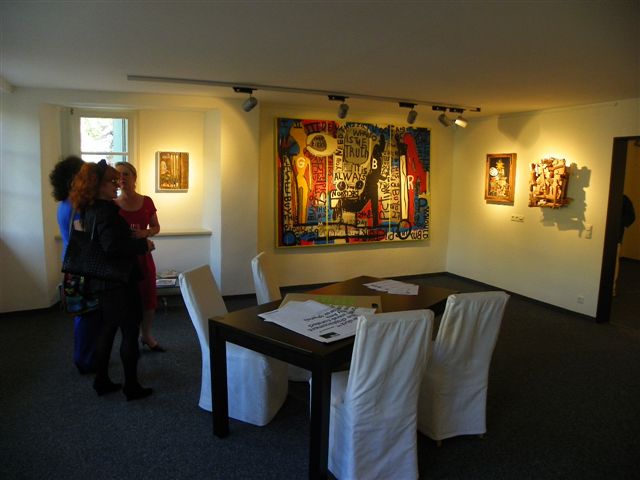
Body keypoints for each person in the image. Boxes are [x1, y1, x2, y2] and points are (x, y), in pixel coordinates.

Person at [69, 160, 154, 400]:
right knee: (129, 332)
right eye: (112, 181)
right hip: (118, 283)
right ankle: (131, 386)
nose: (117, 184)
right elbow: (112, 246)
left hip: (103, 281)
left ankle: (102, 380)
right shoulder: (106, 211)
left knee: (107, 330)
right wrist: (143, 245)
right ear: (98, 185)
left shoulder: (89, 208)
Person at [49, 155, 100, 374]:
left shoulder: (65, 204)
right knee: (88, 315)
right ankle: (85, 360)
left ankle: (87, 356)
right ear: (73, 179)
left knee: (84, 315)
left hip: (73, 264)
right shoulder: (76, 206)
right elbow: (87, 238)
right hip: (82, 267)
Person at [115, 162, 164, 352]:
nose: (122, 178)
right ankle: (130, 338)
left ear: (134, 177)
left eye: (126, 174)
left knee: (149, 298)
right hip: (124, 260)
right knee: (127, 301)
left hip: (144, 257)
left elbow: (156, 227)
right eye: (118, 175)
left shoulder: (147, 201)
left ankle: (147, 335)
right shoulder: (113, 205)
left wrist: (145, 233)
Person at [614, 194, 636, 296]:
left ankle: (611, 288)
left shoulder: (623, 199)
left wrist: (619, 224)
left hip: (616, 236)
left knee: (614, 262)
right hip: (602, 237)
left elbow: (631, 217)